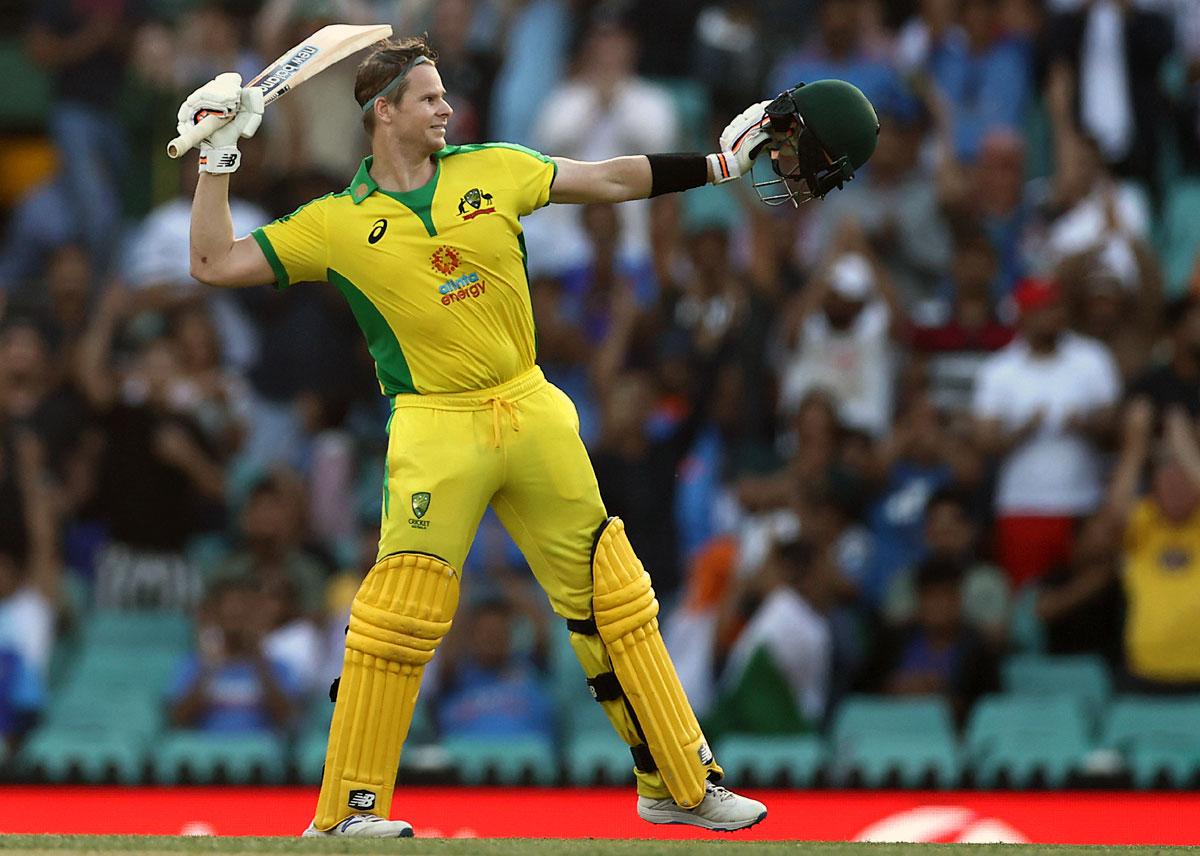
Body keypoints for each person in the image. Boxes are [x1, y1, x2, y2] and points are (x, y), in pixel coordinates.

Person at [178, 34, 879, 838]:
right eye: (430, 96)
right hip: (434, 425)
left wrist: (717, 165)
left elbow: (613, 177)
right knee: (398, 614)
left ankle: (680, 785)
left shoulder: (495, 167)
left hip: (531, 405)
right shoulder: (337, 223)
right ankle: (345, 813)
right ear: (385, 113)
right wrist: (217, 159)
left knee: (615, 597)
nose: (447, 106)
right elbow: (212, 263)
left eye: (446, 94)